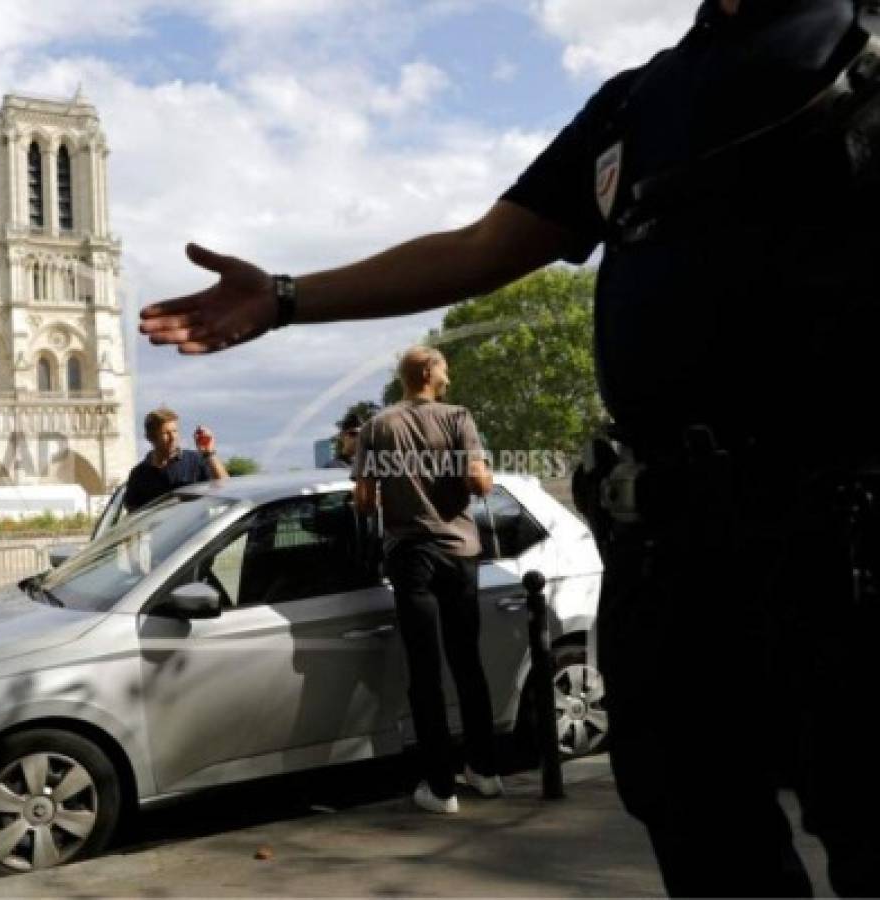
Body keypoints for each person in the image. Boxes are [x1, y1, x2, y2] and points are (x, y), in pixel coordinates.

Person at [139, 1, 880, 893]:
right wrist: (288, 297)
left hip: (846, 533)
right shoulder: (634, 101)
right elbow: (481, 248)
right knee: (696, 818)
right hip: (673, 548)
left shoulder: (860, 40)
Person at [354, 346, 502, 813]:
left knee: (425, 671)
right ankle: (485, 770)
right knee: (467, 662)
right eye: (444, 367)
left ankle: (441, 788)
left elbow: (362, 501)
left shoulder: (377, 426)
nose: (449, 374)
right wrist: (477, 474)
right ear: (426, 372)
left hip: (411, 555)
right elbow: (480, 485)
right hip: (460, 554)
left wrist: (401, 493)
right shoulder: (459, 417)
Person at [124, 407, 228, 513]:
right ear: (151, 437)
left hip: (197, 529)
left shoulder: (196, 461)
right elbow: (133, 515)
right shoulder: (139, 474)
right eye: (166, 433)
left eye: (175, 431)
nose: (173, 437)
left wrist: (209, 453)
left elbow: (225, 488)